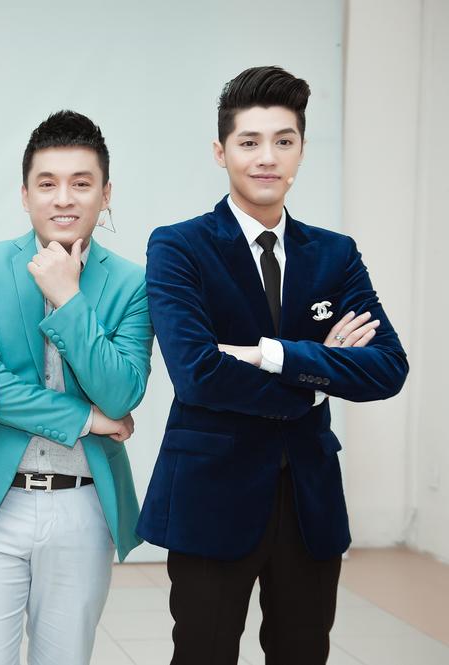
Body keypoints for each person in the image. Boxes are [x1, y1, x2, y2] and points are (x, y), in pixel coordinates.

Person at [136, 65, 409, 665]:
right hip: (212, 496)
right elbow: (197, 373)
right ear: (221, 152)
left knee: (303, 653)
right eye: (249, 142)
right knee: (203, 654)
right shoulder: (179, 246)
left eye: (283, 141)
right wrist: (320, 377)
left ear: (301, 151)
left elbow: (388, 368)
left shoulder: (334, 254)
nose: (267, 158)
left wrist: (273, 355)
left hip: (309, 500)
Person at [0, 110, 153, 665]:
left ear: (105, 194)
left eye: (81, 184)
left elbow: (121, 394)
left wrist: (68, 298)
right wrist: (87, 420)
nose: (64, 199)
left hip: (83, 504)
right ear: (25, 195)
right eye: (47, 184)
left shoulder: (132, 282)